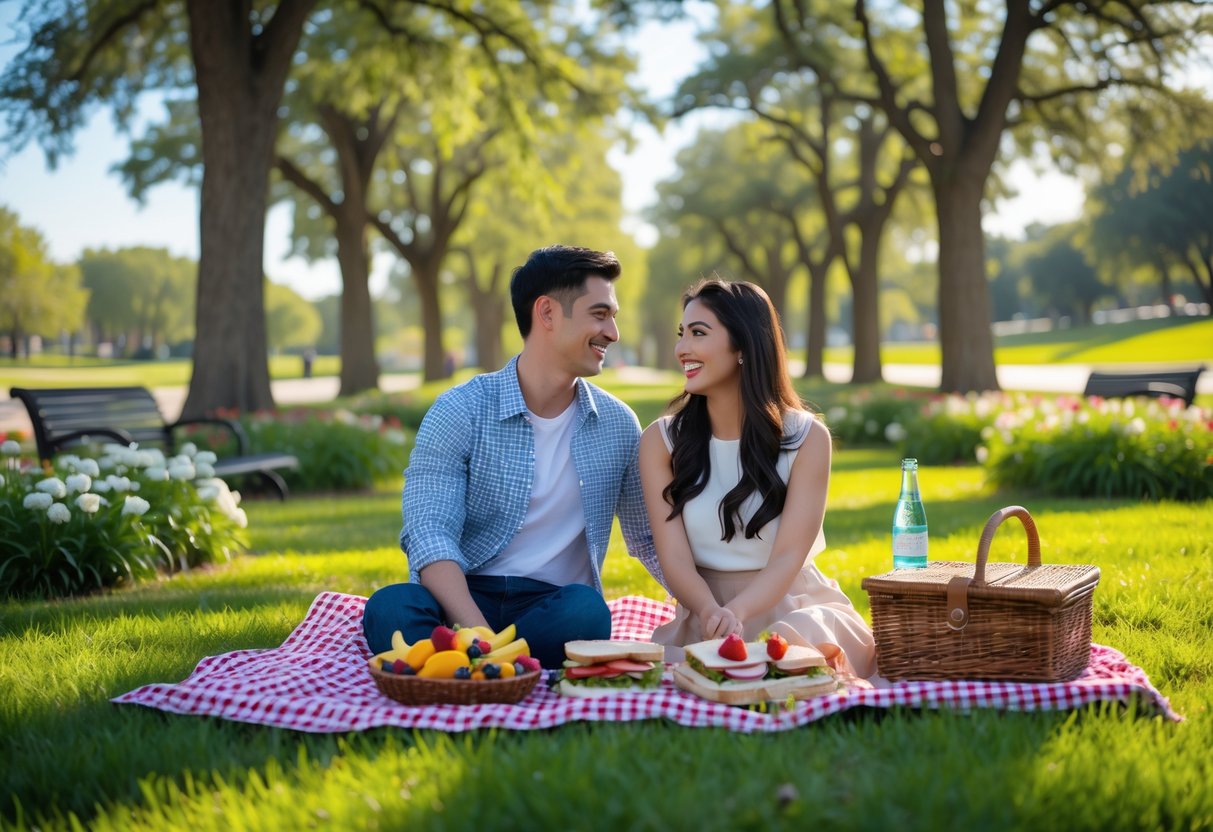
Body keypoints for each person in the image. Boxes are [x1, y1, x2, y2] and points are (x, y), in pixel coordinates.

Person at [362, 245, 663, 668]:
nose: (613, 332)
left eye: (613, 316)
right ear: (547, 313)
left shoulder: (617, 424)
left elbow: (649, 539)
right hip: (461, 595)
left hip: (553, 603)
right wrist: (476, 631)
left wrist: (713, 605)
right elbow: (429, 534)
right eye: (600, 314)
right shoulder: (460, 409)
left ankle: (459, 667)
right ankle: (504, 663)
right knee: (390, 608)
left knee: (587, 612)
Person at [638, 278, 876, 678]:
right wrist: (711, 610)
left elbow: (787, 557)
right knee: (697, 669)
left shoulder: (806, 439)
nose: (682, 348)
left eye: (698, 333)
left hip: (791, 602)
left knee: (784, 651)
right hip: (704, 610)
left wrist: (740, 612)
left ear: (744, 347)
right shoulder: (660, 441)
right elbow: (674, 557)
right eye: (682, 334)